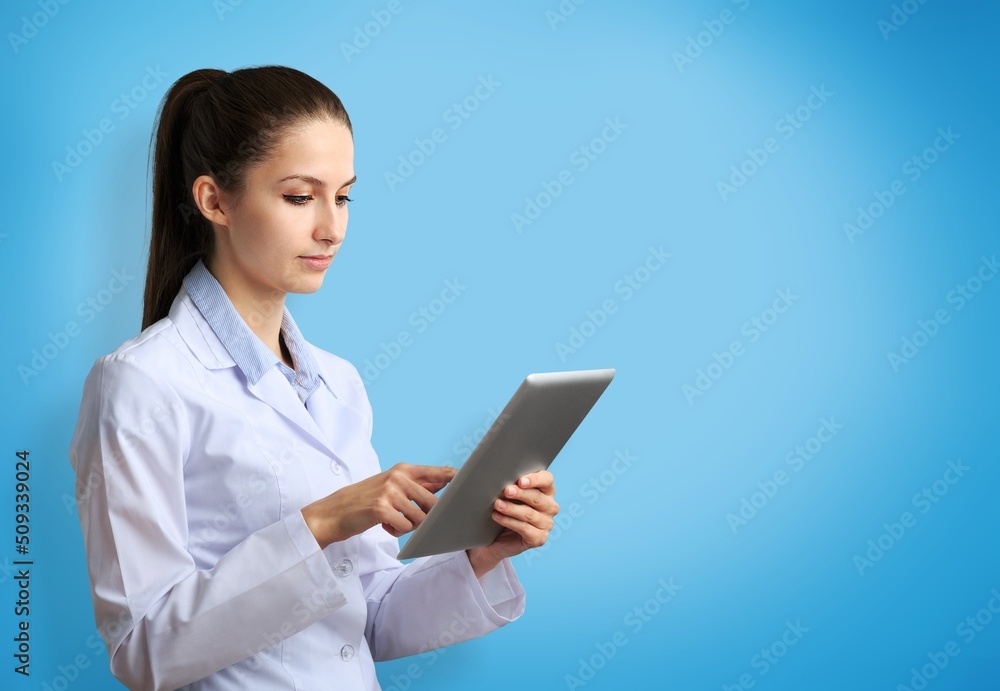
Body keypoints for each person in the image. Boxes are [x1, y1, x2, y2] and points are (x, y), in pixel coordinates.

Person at [68, 65, 559, 691]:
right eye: (300, 197)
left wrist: (482, 553)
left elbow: (371, 618)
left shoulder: (337, 382)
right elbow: (143, 652)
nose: (332, 227)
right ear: (214, 199)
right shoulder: (140, 383)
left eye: (344, 195)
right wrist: (324, 521)